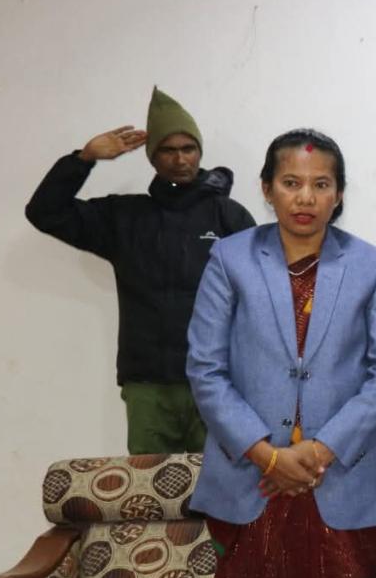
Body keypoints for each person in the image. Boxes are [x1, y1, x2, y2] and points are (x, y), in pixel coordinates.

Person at [187, 129, 376, 578]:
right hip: (250, 481)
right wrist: (267, 455)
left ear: (339, 193)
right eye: (291, 183)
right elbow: (205, 368)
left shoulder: (371, 266)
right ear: (267, 188)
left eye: (321, 184)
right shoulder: (231, 259)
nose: (305, 197)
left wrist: (319, 450)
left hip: (340, 480)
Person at [25, 87, 255, 454]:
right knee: (147, 487)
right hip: (147, 386)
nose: (180, 159)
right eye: (168, 149)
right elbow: (45, 212)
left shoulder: (228, 217)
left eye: (188, 148)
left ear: (199, 151)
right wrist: (84, 158)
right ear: (152, 157)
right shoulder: (124, 217)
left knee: (222, 484)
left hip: (216, 381)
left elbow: (259, 296)